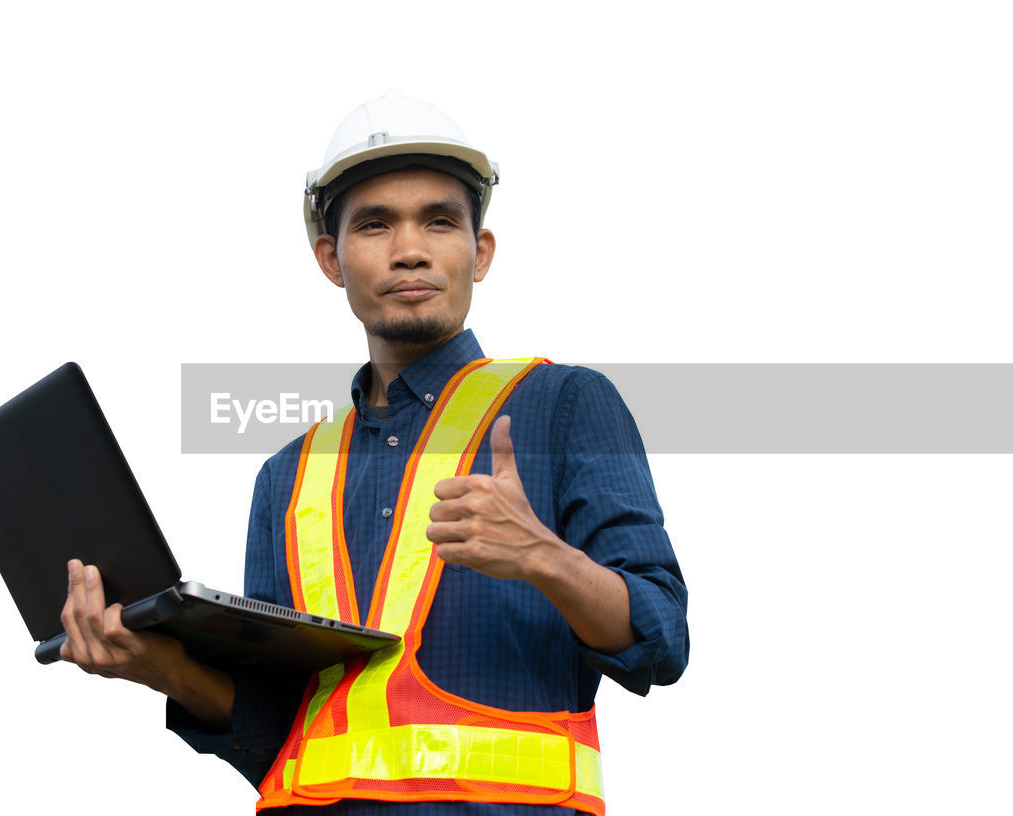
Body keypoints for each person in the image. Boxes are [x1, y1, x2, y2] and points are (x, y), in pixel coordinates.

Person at [58, 93, 689, 814]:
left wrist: (542, 556)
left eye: (440, 221)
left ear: (480, 253)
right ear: (331, 258)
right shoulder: (286, 478)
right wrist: (164, 668)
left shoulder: (564, 406)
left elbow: (662, 637)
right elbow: (280, 738)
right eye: (375, 224)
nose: (410, 248)